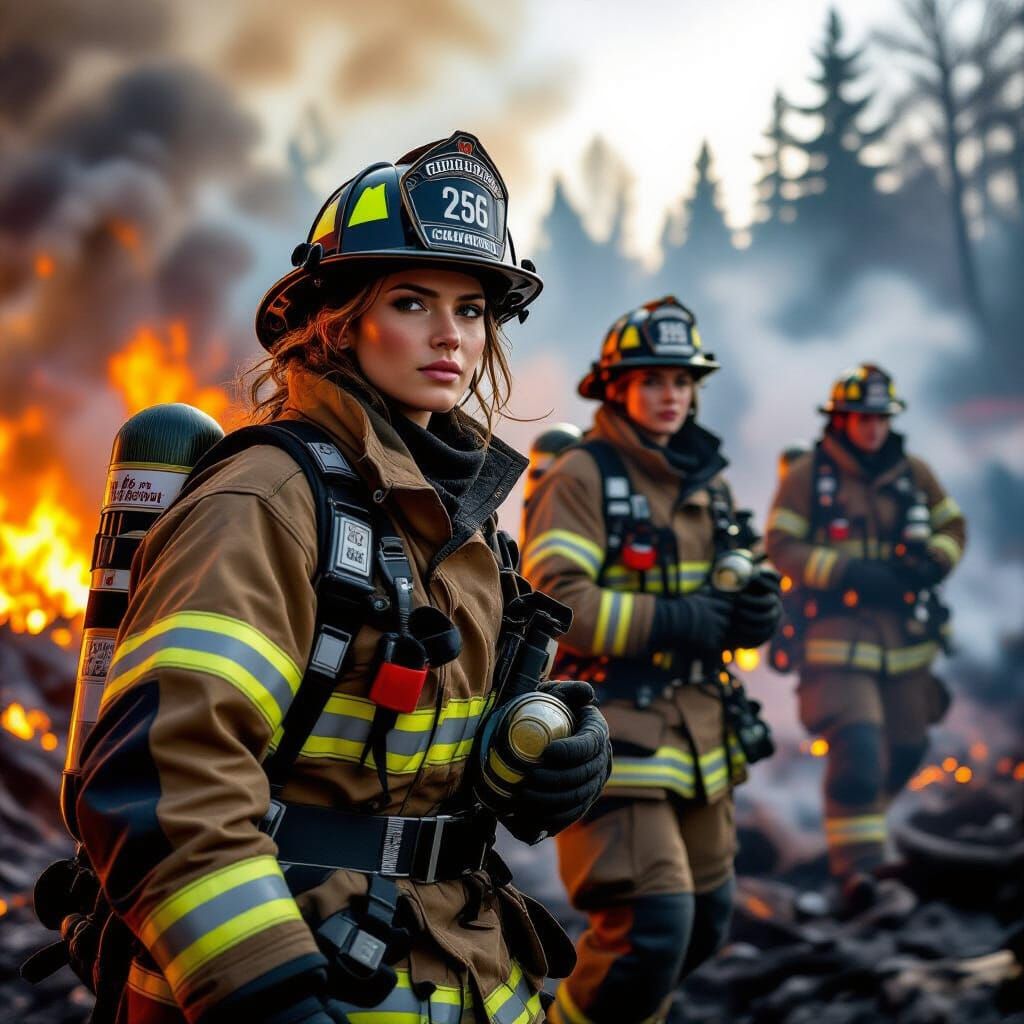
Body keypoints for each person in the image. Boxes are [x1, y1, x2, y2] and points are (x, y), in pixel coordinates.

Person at [74, 131, 610, 1024]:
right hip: (309, 969)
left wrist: (549, 754)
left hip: (462, 965)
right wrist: (267, 994)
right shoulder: (267, 499)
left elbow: (420, 754)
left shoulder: (456, 517)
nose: (452, 335)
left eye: (473, 308)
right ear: (337, 317)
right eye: (412, 301)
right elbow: (169, 778)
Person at [521, 297, 782, 1024]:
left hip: (702, 738)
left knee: (704, 923)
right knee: (649, 934)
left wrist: (761, 608)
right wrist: (677, 619)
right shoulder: (582, 475)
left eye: (684, 381)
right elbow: (557, 596)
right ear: (616, 387)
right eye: (654, 380)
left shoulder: (710, 481)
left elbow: (748, 574)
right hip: (616, 733)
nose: (673, 395)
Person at [765, 363, 966, 886]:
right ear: (840, 419)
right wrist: (846, 572)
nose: (872, 428)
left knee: (907, 749)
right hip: (835, 641)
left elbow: (953, 525)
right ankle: (859, 876)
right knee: (857, 754)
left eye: (880, 418)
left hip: (906, 645)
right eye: (861, 417)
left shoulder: (913, 473)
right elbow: (782, 545)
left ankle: (865, 841)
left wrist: (934, 562)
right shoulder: (811, 475)